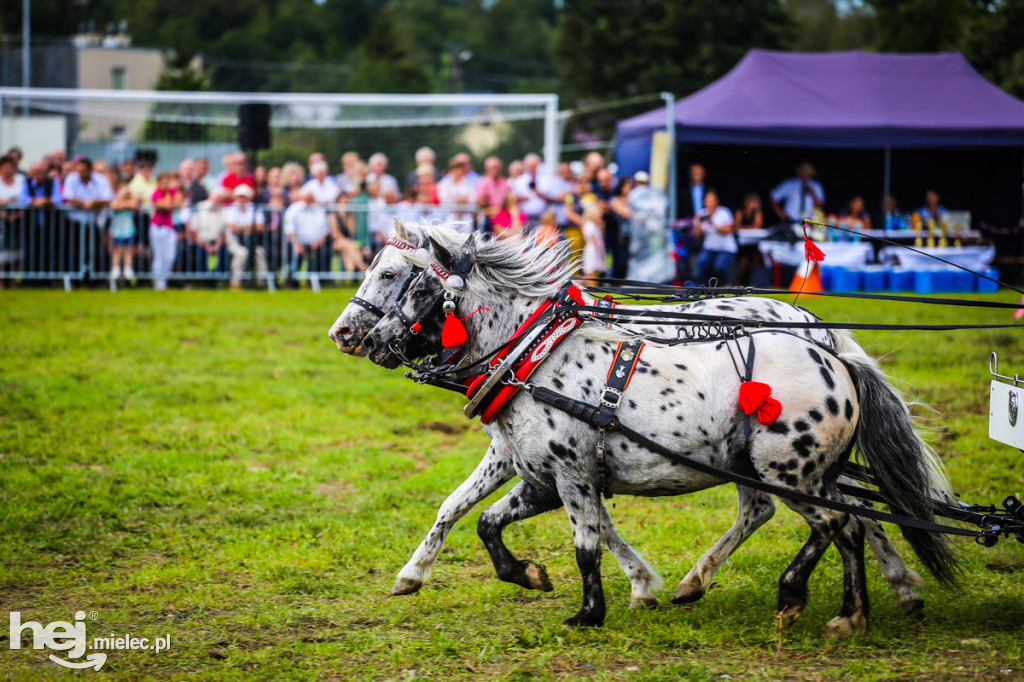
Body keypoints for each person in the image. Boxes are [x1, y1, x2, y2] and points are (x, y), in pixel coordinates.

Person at [62, 157, 114, 275]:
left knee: (95, 250)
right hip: (74, 222)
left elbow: (107, 198)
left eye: (83, 171)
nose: (80, 173)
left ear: (90, 170)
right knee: (74, 250)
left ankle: (94, 278)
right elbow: (68, 198)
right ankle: (75, 277)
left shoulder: (100, 180)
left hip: (94, 221)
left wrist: (93, 203)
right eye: (78, 170)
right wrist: (84, 204)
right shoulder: (71, 179)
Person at [224, 184, 267, 290]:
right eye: (240, 197)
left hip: (251, 241)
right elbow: (233, 228)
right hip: (234, 240)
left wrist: (242, 228)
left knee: (259, 252)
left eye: (244, 197)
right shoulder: (231, 209)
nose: (241, 200)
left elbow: (260, 227)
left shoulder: (254, 208)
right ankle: (235, 282)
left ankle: (261, 282)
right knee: (241, 253)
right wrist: (249, 227)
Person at [284, 188, 331, 284]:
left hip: (315, 243)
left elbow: (325, 231)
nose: (309, 202)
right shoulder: (293, 210)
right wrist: (297, 244)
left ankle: (317, 280)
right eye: (307, 199)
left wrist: (318, 242)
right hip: (297, 242)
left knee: (323, 251)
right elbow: (289, 231)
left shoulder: (319, 210)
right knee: (294, 253)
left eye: (311, 199)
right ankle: (292, 280)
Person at [693, 189, 736, 286]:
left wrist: (713, 224)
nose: (710, 204)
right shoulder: (702, 214)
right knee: (702, 262)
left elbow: (728, 230)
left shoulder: (724, 212)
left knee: (719, 266)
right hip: (710, 247)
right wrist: (698, 223)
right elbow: (697, 236)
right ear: (704, 202)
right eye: (708, 201)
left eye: (712, 201)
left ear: (717, 202)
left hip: (726, 248)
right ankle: (705, 288)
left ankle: (724, 285)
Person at [148, 172, 184, 290]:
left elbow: (179, 202)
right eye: (163, 183)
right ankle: (158, 282)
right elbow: (166, 205)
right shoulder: (156, 194)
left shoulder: (173, 192)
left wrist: (171, 200)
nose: (166, 185)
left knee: (170, 256)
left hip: (170, 227)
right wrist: (169, 198)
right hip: (158, 227)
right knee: (159, 256)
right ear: (158, 183)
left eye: (167, 182)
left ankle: (164, 280)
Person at [188, 188, 230, 281]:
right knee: (199, 252)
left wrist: (217, 246)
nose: (217, 201)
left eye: (220, 199)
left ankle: (219, 279)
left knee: (224, 251)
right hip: (201, 241)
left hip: (217, 241)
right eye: (216, 198)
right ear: (210, 197)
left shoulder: (222, 210)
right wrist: (206, 245)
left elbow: (224, 232)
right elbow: (193, 229)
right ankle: (203, 280)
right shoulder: (200, 207)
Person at [0, 155, 25, 287]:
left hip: (18, 219)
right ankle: (1, 281)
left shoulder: (20, 180)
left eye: (10, 166)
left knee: (16, 252)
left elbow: (24, 199)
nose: (8, 169)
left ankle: (13, 280)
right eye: (5, 166)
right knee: (2, 253)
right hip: (1, 221)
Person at [108, 185, 137, 282]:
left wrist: (126, 200)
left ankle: (127, 268)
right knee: (116, 250)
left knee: (128, 250)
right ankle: (115, 268)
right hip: (117, 231)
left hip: (127, 231)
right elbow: (115, 206)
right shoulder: (115, 200)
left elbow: (135, 205)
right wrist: (123, 202)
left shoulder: (130, 201)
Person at [734, 194, 764, 286]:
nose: (752, 204)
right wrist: (750, 227)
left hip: (754, 244)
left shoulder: (757, 213)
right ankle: (737, 284)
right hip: (741, 245)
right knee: (743, 263)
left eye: (754, 202)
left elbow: (758, 226)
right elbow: (736, 227)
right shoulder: (740, 212)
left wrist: (744, 228)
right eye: (750, 202)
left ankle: (755, 284)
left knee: (757, 261)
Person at [512, 153, 549, 223]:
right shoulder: (519, 181)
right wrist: (521, 198)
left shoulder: (546, 180)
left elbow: (551, 199)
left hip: (542, 217)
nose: (532, 168)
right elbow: (513, 199)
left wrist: (539, 194)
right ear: (525, 166)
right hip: (524, 218)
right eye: (530, 166)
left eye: (534, 166)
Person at [581, 204, 606, 284]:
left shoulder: (595, 225)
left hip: (595, 249)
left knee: (594, 270)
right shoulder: (589, 225)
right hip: (593, 250)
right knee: (590, 270)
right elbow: (594, 239)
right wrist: (600, 250)